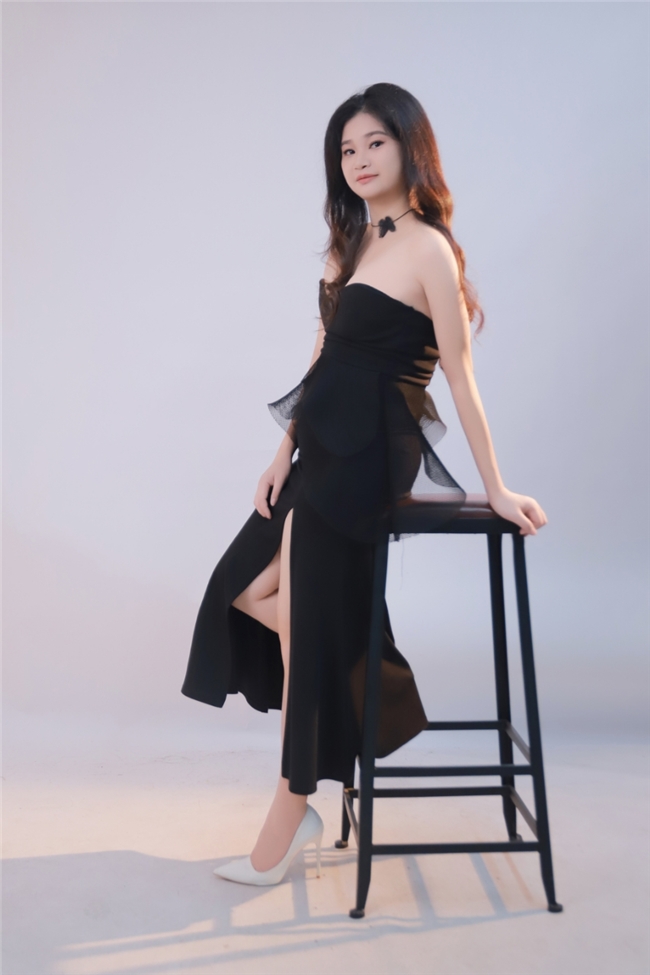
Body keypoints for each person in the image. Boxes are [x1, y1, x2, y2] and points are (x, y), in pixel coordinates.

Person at [181, 82, 547, 887]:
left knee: (303, 608)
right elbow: (321, 356)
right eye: (347, 149)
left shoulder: (429, 249)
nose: (359, 159)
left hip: (374, 448)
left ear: (411, 146)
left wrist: (497, 486)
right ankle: (358, 673)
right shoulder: (350, 243)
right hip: (321, 442)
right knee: (240, 588)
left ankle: (289, 808)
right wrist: (282, 450)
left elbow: (460, 376)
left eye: (375, 142)